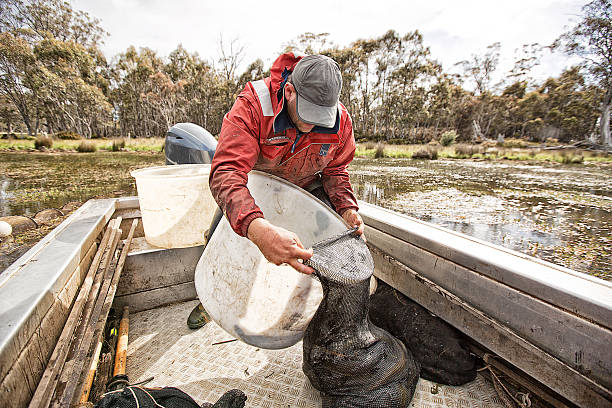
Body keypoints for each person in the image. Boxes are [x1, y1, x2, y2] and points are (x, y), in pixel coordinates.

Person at [187, 52, 364, 329]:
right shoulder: (254, 104)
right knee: (221, 237)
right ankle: (212, 298)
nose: (315, 125)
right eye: (309, 115)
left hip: (303, 189)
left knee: (331, 246)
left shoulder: (340, 120)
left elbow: (336, 171)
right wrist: (257, 229)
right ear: (290, 92)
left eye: (322, 117)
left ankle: (301, 299)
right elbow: (226, 172)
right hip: (254, 187)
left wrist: (347, 209)